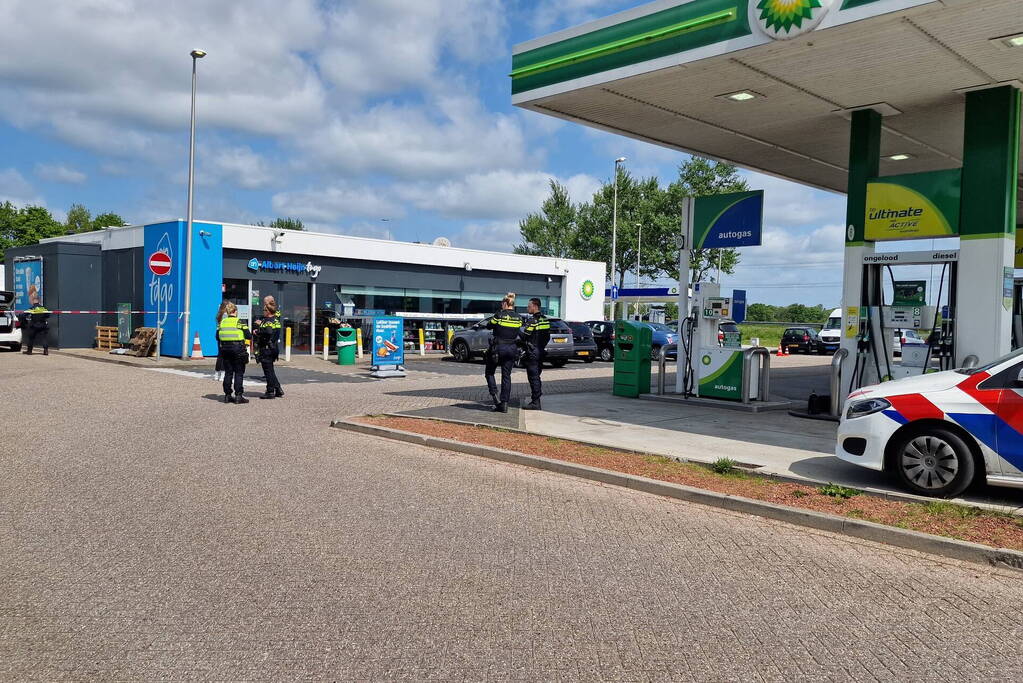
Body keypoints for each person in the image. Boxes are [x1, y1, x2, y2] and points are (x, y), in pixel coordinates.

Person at [484, 292, 522, 413]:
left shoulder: (499, 315)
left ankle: (496, 400)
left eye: (502, 304)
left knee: (489, 372)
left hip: (498, 349)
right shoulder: (519, 317)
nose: (501, 305)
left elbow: (489, 325)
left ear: (505, 303)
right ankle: (504, 404)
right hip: (512, 349)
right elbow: (519, 332)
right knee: (506, 377)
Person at [519, 297, 551, 410]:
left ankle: (535, 402)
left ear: (535, 306)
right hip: (541, 351)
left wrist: (518, 328)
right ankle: (536, 399)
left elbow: (524, 336)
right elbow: (547, 336)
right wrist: (541, 346)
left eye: (529, 306)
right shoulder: (545, 320)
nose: (528, 308)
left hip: (533, 352)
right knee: (537, 376)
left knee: (533, 377)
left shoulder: (533, 321)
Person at [216, 301, 251, 404]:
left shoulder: (222, 322)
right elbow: (248, 335)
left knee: (228, 373)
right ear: (235, 311)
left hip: (225, 350)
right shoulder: (240, 322)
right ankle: (238, 396)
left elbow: (217, 337)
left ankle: (227, 395)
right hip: (238, 349)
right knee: (239, 373)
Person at [254, 295, 284, 399]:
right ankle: (278, 389)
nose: (263, 310)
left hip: (267, 348)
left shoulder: (269, 320)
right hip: (273, 347)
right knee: (270, 370)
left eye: (264, 308)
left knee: (268, 371)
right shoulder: (276, 320)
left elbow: (268, 331)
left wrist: (258, 331)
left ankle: (270, 391)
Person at [214, 302, 229, 382]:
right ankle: (222, 374)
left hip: (218, 333)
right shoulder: (226, 315)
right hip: (224, 333)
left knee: (220, 355)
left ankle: (216, 373)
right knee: (224, 355)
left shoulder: (218, 315)